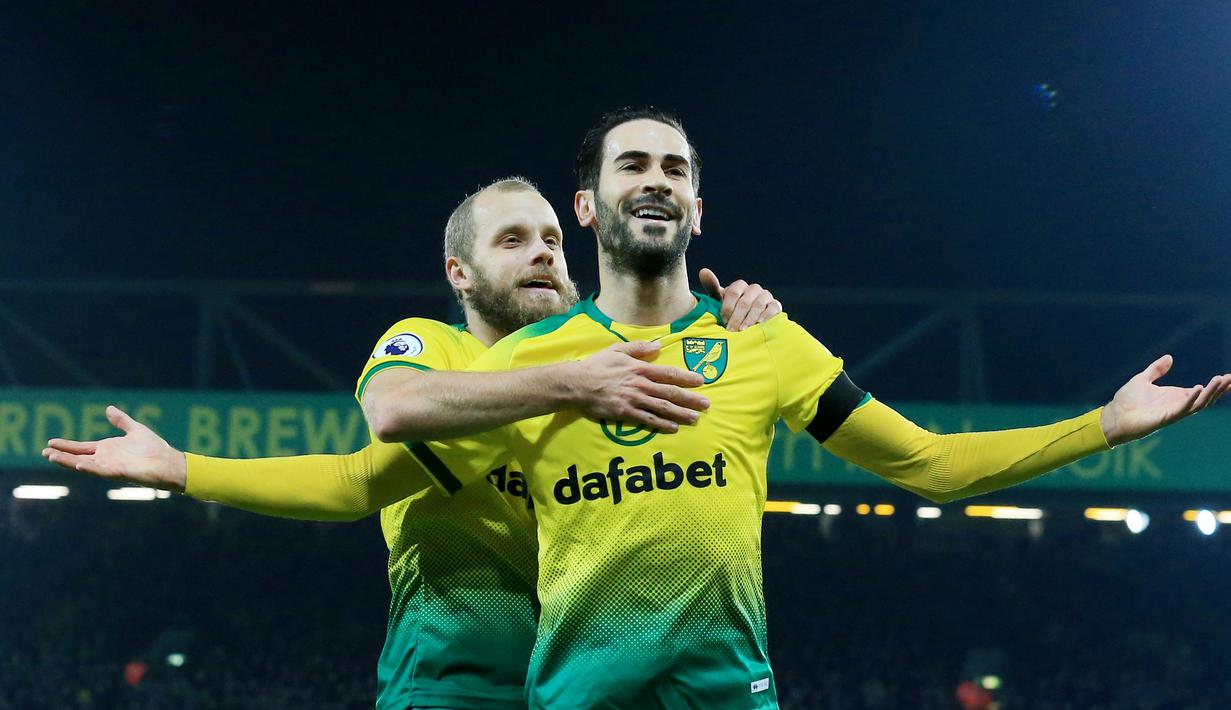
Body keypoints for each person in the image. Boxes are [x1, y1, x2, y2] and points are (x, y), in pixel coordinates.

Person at [401, 108, 1230, 709]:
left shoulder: (764, 343)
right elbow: (389, 434)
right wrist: (565, 383)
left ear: (695, 210)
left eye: (675, 169)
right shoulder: (528, 362)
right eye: (632, 164)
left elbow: (930, 465)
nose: (656, 179)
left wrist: (1104, 427)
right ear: (585, 205)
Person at [43, 176, 784, 710]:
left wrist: (737, 317)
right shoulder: (431, 347)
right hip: (451, 687)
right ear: (459, 273)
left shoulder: (607, 365)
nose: (542, 254)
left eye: (554, 239)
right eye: (513, 239)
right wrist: (184, 468)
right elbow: (367, 461)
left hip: (594, 686)